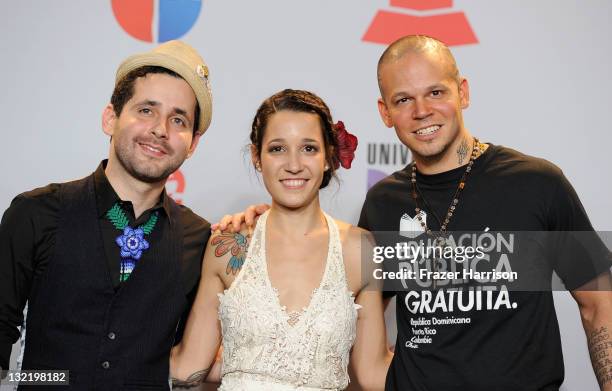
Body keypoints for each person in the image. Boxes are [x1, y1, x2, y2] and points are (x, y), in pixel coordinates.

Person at [216, 36, 612, 391]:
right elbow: (335, 311)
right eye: (403, 99)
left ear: (463, 92)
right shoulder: (384, 203)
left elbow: (600, 305)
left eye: (436, 92)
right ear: (385, 112)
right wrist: (272, 219)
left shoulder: (537, 183)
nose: (422, 111)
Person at [0, 41, 213, 390]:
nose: (161, 129)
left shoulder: (200, 239)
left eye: (178, 119)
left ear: (192, 144)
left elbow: (195, 359)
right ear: (110, 118)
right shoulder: (35, 213)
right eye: (146, 110)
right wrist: (50, 381)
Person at [170, 89, 392, 390]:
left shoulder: (360, 250)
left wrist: (464, 358)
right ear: (256, 157)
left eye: (309, 148)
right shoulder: (228, 246)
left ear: (328, 156)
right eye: (277, 149)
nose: (293, 164)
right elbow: (189, 367)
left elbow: (373, 373)